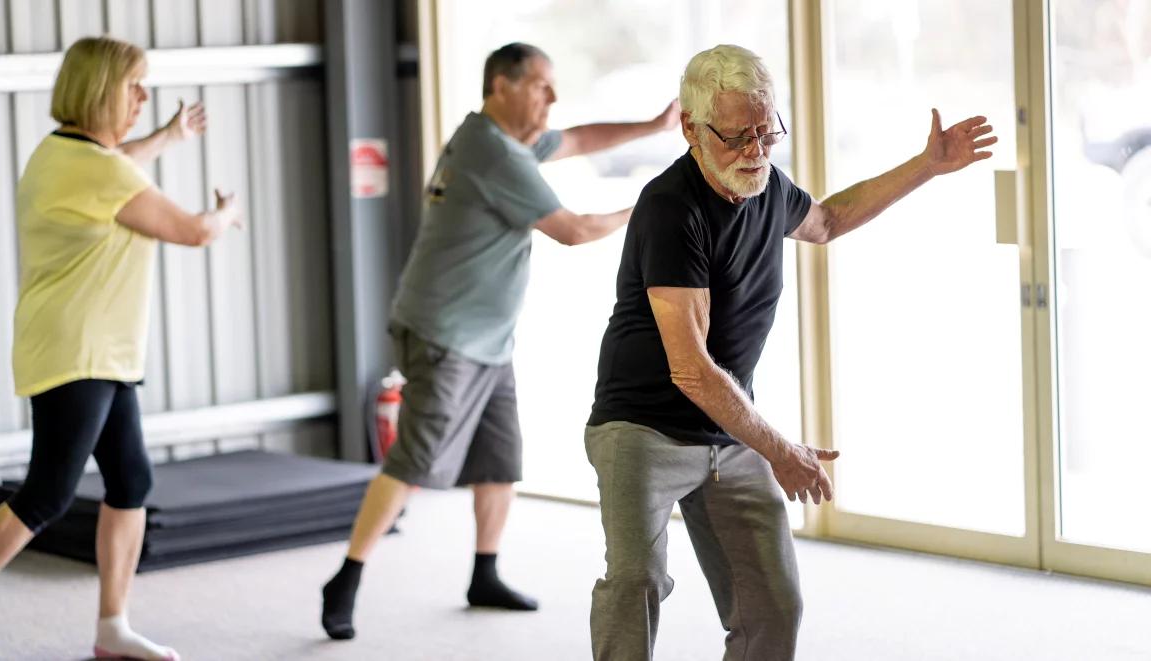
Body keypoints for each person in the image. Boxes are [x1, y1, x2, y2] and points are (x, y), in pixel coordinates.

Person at [585, 44, 996, 661]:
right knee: (637, 582)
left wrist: (927, 165)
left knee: (774, 607)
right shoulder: (670, 208)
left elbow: (828, 221)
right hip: (642, 426)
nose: (755, 152)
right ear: (692, 130)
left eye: (765, 132)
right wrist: (781, 450)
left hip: (728, 427)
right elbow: (690, 369)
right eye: (737, 137)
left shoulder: (767, 186)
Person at [320, 42, 681, 641]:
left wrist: (652, 126)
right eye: (542, 85)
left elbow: (579, 139)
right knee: (413, 461)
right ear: (501, 87)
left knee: (498, 460)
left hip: (487, 336)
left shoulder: (504, 139)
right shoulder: (493, 154)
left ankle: (484, 574)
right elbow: (572, 230)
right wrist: (646, 206)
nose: (553, 97)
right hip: (447, 334)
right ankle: (346, 579)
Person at [0, 36, 242, 661]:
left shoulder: (67, 155)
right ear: (99, 90)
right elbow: (191, 231)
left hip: (102, 353)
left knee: (130, 480)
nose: (142, 97)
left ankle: (113, 627)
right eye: (132, 86)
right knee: (46, 495)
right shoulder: (98, 170)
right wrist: (226, 212)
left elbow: (123, 161)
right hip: (75, 353)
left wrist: (166, 137)